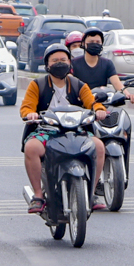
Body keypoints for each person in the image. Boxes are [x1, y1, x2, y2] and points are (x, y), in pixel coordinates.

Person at [21, 44, 105, 214]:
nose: (59, 63)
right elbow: (26, 107)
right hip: (47, 131)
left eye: (63, 60)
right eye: (55, 61)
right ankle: (38, 195)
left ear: (69, 62)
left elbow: (92, 102)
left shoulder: (79, 85)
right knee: (31, 148)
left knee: (99, 146)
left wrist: (99, 110)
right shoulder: (37, 85)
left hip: (77, 130)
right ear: (47, 65)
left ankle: (91, 192)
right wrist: (30, 114)